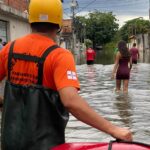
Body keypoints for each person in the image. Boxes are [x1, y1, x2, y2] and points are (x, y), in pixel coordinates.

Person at [0, 0, 132, 149]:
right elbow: (71, 101)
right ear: (59, 25)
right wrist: (113, 129)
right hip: (46, 145)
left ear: (31, 20)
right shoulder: (59, 55)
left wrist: (3, 103)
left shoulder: (8, 49)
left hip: (9, 143)